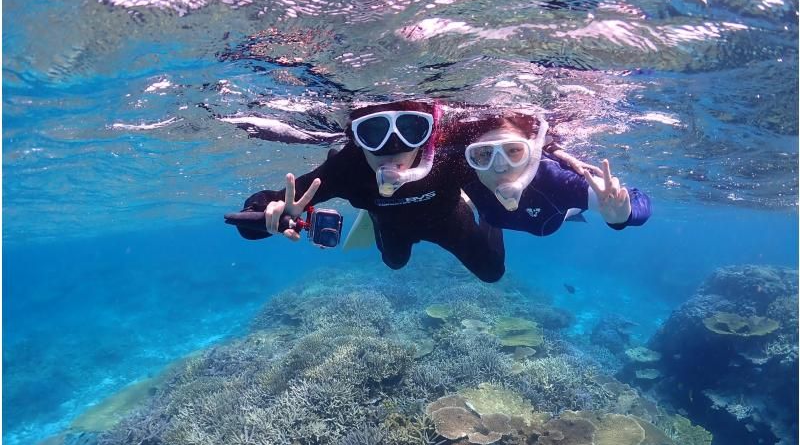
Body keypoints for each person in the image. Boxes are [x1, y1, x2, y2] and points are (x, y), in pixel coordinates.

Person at [225, 100, 506, 283]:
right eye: (373, 132)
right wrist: (264, 215)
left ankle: (485, 214)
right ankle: (373, 215)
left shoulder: (448, 154)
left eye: (411, 129)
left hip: (449, 217)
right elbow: (251, 219)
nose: (393, 147)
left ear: (429, 133)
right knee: (394, 263)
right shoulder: (347, 168)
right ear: (357, 139)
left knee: (492, 271)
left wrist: (495, 209)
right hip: (391, 224)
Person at [456, 110, 651, 236]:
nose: (499, 166)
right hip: (494, 217)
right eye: (483, 153)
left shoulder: (553, 179)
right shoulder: (464, 171)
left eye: (514, 150)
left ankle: (572, 210)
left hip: (556, 214)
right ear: (471, 156)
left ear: (533, 151)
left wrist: (622, 217)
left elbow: (636, 198)